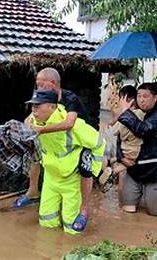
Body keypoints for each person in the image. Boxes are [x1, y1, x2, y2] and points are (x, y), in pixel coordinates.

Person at [14, 67, 96, 231]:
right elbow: (29, 119)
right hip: (52, 141)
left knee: (86, 170)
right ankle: (32, 191)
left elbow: (69, 124)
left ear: (53, 83)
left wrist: (40, 130)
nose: (38, 87)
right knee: (35, 155)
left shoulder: (69, 98)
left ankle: (84, 210)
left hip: (80, 141)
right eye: (37, 84)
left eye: (41, 84)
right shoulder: (41, 98)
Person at [26, 89, 105, 234]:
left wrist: (90, 169)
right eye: (32, 106)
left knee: (71, 230)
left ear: (52, 107)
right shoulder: (33, 121)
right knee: (46, 222)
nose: (33, 111)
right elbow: (26, 126)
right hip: (50, 177)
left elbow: (99, 142)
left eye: (37, 106)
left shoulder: (73, 125)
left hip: (70, 179)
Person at [111, 82, 157, 215]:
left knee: (155, 214)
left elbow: (143, 130)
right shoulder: (134, 114)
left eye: (145, 96)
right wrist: (121, 158)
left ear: (155, 98)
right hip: (134, 171)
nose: (141, 100)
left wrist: (125, 112)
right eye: (139, 96)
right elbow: (120, 139)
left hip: (155, 173)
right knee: (127, 211)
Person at [101, 85, 144, 195]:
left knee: (122, 187)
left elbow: (111, 132)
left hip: (127, 154)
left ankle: (113, 170)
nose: (118, 102)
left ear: (127, 99)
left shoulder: (127, 117)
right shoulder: (143, 114)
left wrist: (109, 123)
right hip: (138, 153)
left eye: (120, 98)